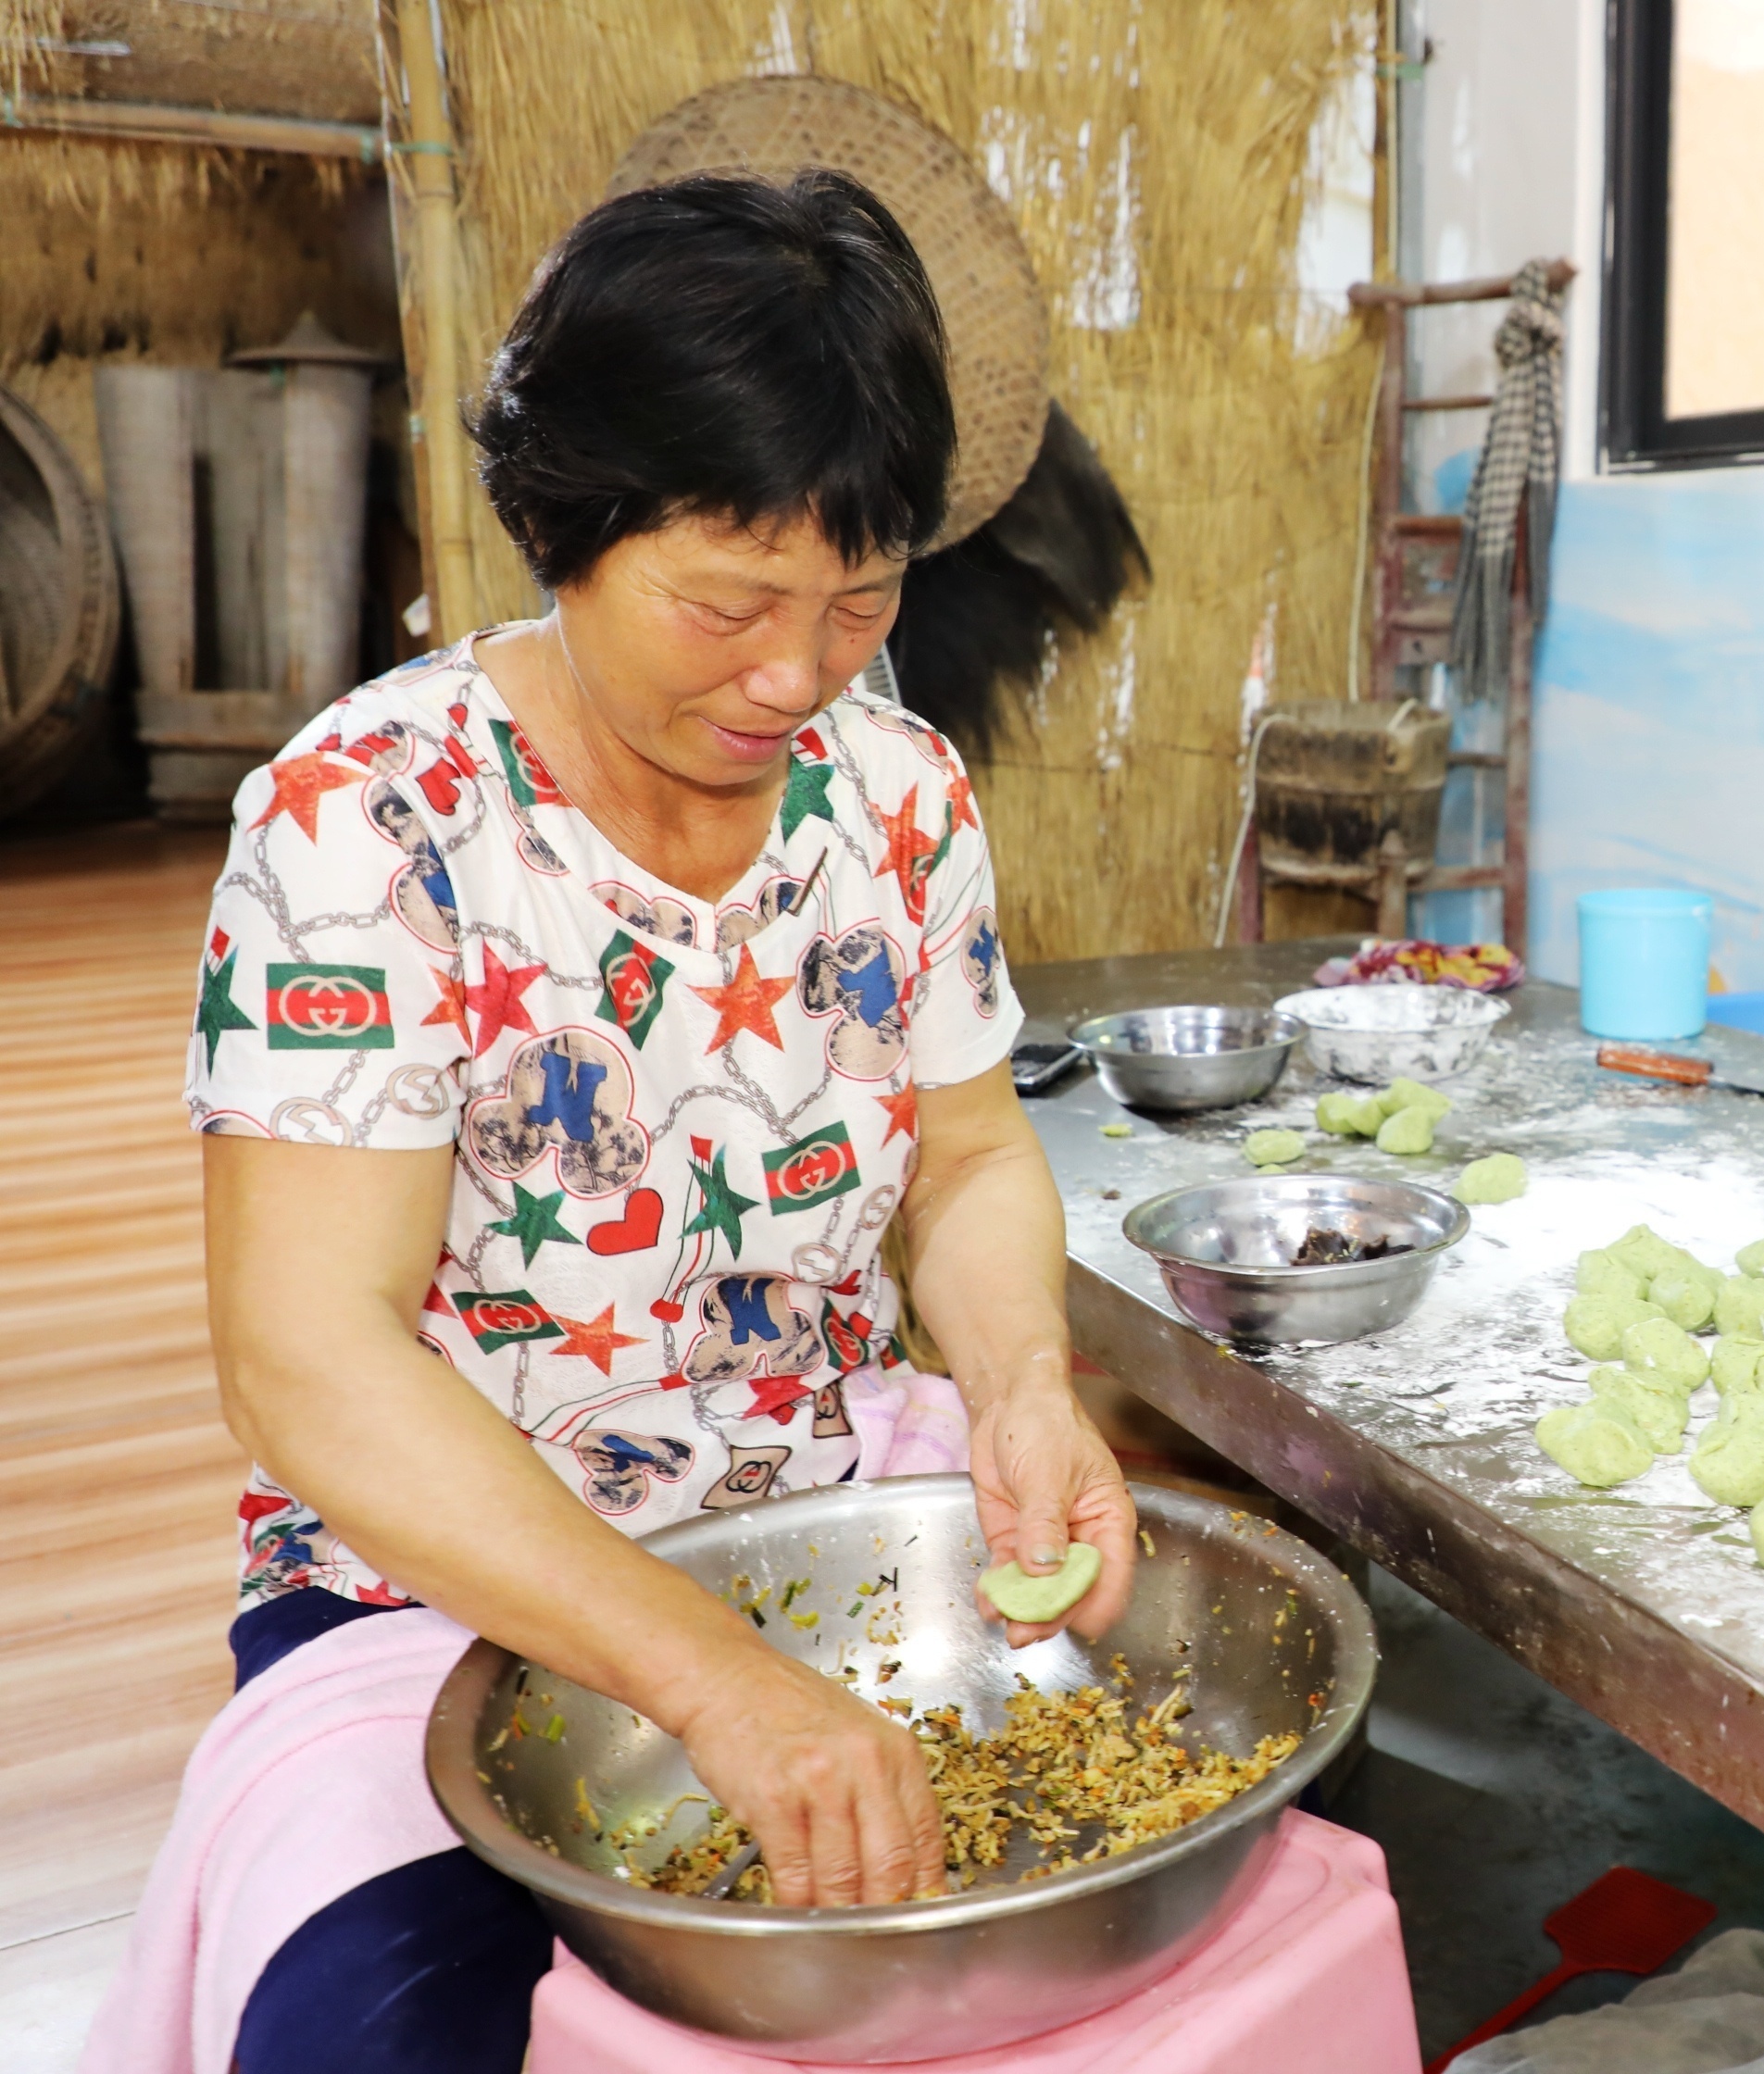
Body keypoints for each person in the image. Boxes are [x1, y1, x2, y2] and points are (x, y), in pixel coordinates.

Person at [91, 170, 1132, 2074]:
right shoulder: (369, 826)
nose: (796, 676)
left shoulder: (899, 797)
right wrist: (709, 1675)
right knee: (380, 2034)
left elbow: (973, 1158)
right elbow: (306, 1358)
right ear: (566, 525)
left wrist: (1022, 1387)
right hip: (446, 1595)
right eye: (728, 603)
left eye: (861, 601)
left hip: (832, 1524)